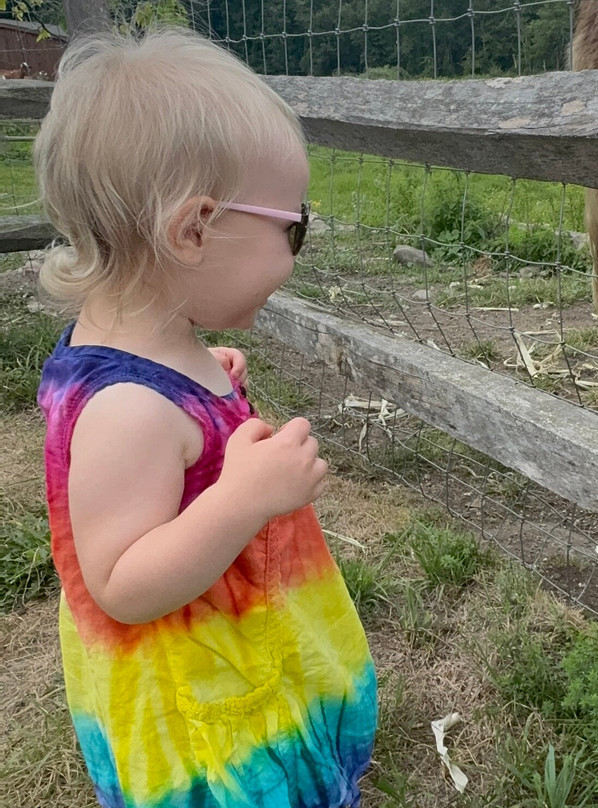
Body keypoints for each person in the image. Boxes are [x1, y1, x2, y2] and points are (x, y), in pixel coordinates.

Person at [33, 27, 376, 808]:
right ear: (194, 229)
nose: (297, 248)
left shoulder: (148, 360)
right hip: (203, 708)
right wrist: (242, 496)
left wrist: (203, 386)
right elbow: (119, 582)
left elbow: (158, 433)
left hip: (229, 655)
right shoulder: (129, 411)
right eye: (294, 227)